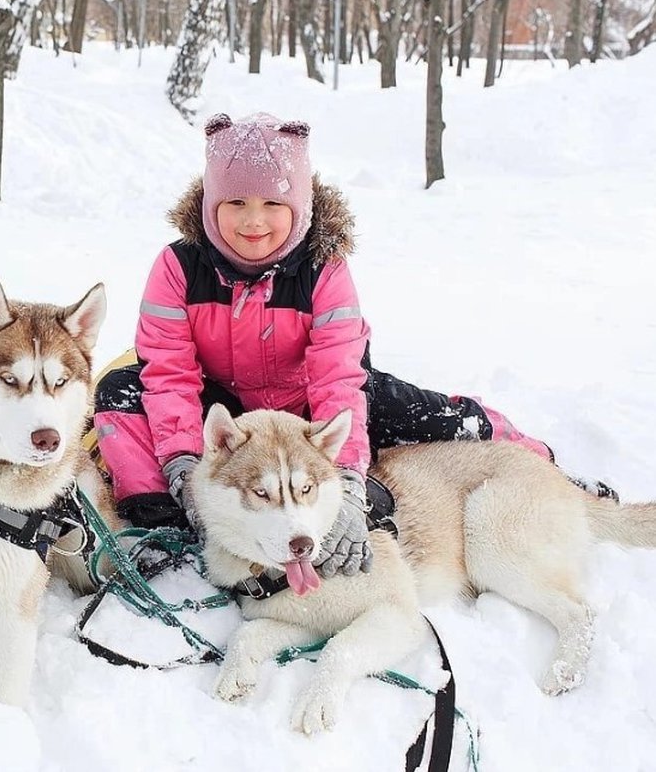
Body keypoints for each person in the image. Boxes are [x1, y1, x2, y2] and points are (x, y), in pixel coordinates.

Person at [91, 111, 616, 578]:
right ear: (211, 203)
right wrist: (185, 465)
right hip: (224, 407)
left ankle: (543, 463)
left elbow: (338, 377)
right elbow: (168, 372)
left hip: (312, 407)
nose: (254, 220)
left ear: (298, 203)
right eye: (236, 202)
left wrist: (346, 484)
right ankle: (156, 518)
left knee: (438, 416)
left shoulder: (325, 268)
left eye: (273, 202)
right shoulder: (178, 265)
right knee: (118, 392)